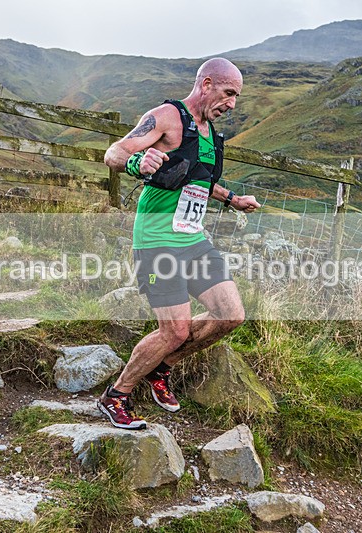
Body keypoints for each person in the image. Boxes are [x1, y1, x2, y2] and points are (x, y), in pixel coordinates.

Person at [97, 57, 261, 430]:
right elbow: (114, 154)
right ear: (206, 85)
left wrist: (232, 199)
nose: (232, 104)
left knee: (230, 315)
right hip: (157, 239)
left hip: (192, 237)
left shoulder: (207, 132)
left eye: (236, 97)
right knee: (176, 330)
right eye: (228, 93)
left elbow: (198, 179)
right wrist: (139, 163)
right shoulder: (168, 117)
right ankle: (116, 396)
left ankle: (162, 369)